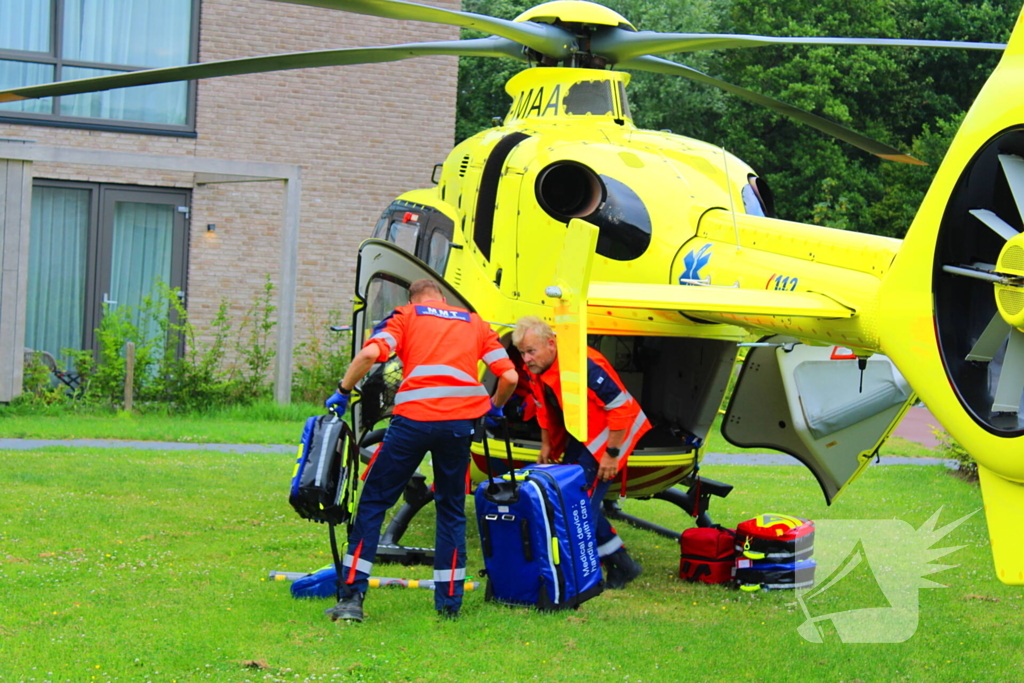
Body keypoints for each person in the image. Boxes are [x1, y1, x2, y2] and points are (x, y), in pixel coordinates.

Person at [323, 279, 518, 622]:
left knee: (374, 503)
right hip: (460, 425)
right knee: (452, 509)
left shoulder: (406, 315)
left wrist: (343, 390)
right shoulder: (474, 322)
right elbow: (511, 377)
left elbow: (370, 354)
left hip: (413, 421)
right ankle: (449, 605)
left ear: (413, 299)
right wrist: (495, 407)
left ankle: (352, 599)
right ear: (442, 299)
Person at [512, 316, 650, 589]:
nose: (526, 359)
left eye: (531, 351)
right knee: (573, 501)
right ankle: (621, 564)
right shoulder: (539, 365)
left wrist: (611, 453)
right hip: (584, 435)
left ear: (551, 344)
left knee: (579, 506)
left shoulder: (583, 364)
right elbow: (541, 405)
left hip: (611, 436)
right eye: (522, 353)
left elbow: (620, 407)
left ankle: (608, 568)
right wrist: (547, 443)